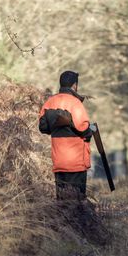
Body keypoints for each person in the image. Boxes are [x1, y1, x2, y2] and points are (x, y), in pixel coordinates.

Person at [39, 71, 95, 200]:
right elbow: (83, 127)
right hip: (75, 161)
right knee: (77, 201)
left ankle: (63, 221)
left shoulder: (49, 103)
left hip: (59, 160)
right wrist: (90, 131)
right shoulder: (75, 103)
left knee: (62, 200)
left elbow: (43, 127)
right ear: (74, 85)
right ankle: (77, 220)